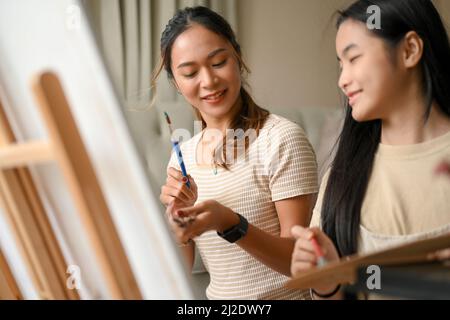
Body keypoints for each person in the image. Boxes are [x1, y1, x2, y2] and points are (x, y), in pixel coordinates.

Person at [290, 0, 450, 300]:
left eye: (353, 58)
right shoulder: (341, 179)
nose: (342, 80)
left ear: (409, 50)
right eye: (340, 64)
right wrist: (327, 281)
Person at [155, 7, 318, 299]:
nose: (208, 81)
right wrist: (179, 230)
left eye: (218, 62)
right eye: (190, 72)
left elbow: (299, 262)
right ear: (176, 83)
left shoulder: (281, 139)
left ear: (238, 58)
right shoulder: (184, 156)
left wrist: (230, 223)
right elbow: (178, 274)